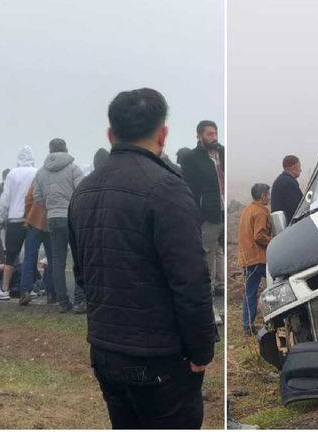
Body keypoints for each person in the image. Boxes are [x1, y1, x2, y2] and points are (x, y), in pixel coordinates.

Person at [69, 88, 216, 429]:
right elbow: (191, 282)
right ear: (163, 133)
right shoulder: (167, 188)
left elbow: (83, 275)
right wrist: (201, 351)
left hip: (106, 351)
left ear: (110, 134)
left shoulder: (84, 191)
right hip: (160, 358)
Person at [33, 138, 85, 313]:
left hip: (53, 218)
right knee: (79, 260)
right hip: (72, 217)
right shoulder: (73, 169)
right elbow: (82, 192)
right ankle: (80, 300)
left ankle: (63, 302)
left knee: (57, 261)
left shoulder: (40, 173)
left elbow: (37, 196)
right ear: (66, 149)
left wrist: (50, 207)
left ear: (49, 151)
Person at [180, 121, 225, 303]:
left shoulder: (223, 153)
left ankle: (220, 285)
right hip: (208, 214)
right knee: (207, 253)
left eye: (215, 133)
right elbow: (189, 189)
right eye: (209, 134)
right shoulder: (192, 159)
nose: (214, 137)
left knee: (220, 250)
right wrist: (197, 214)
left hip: (222, 211)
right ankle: (206, 294)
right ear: (199, 136)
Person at [0, 146, 37, 300]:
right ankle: (28, 288)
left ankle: (4, 289)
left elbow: (5, 199)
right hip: (32, 219)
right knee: (30, 255)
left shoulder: (12, 174)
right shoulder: (36, 173)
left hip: (14, 219)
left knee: (10, 256)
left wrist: (1, 218)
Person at [237, 183, 273, 336]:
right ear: (263, 195)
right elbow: (259, 236)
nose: (269, 197)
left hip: (246, 258)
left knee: (250, 292)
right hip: (258, 258)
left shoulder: (247, 210)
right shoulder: (260, 212)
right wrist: (273, 240)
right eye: (268, 194)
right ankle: (276, 317)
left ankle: (247, 326)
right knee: (277, 282)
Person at [19, 182, 54, 306]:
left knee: (29, 258)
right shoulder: (65, 174)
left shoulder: (39, 177)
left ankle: (25, 292)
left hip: (34, 221)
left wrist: (28, 216)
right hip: (52, 222)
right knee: (53, 259)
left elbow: (29, 199)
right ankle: (51, 293)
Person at [271, 155, 303, 222]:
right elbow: (298, 209)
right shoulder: (288, 183)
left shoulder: (282, 180)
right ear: (293, 168)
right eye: (299, 167)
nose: (301, 170)